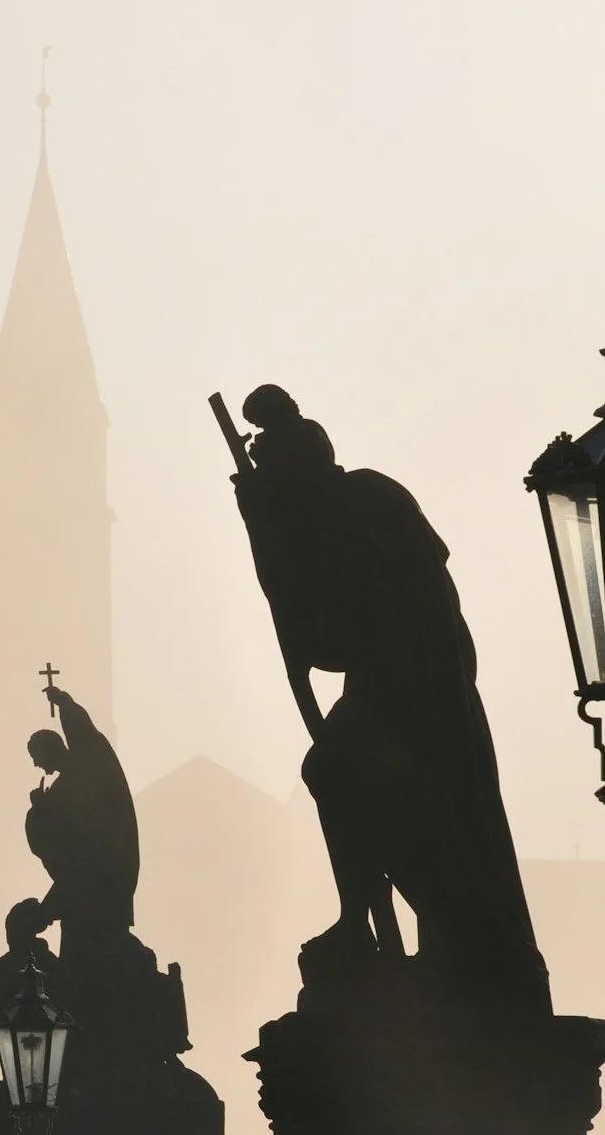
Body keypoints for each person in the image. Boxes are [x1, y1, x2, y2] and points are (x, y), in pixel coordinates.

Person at [233, 386, 547, 1010]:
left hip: (415, 687)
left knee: (348, 775)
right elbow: (328, 635)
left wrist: (268, 534)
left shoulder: (354, 509)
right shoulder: (357, 502)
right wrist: (266, 531)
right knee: (353, 780)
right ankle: (381, 922)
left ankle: (396, 923)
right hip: (404, 681)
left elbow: (328, 638)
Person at [24, 681, 138, 940]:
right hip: (85, 883)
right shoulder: (60, 789)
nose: (36, 765)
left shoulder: (89, 763)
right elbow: (54, 842)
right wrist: (39, 811)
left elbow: (85, 733)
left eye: (36, 757)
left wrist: (64, 703)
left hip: (102, 873)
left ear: (48, 750)